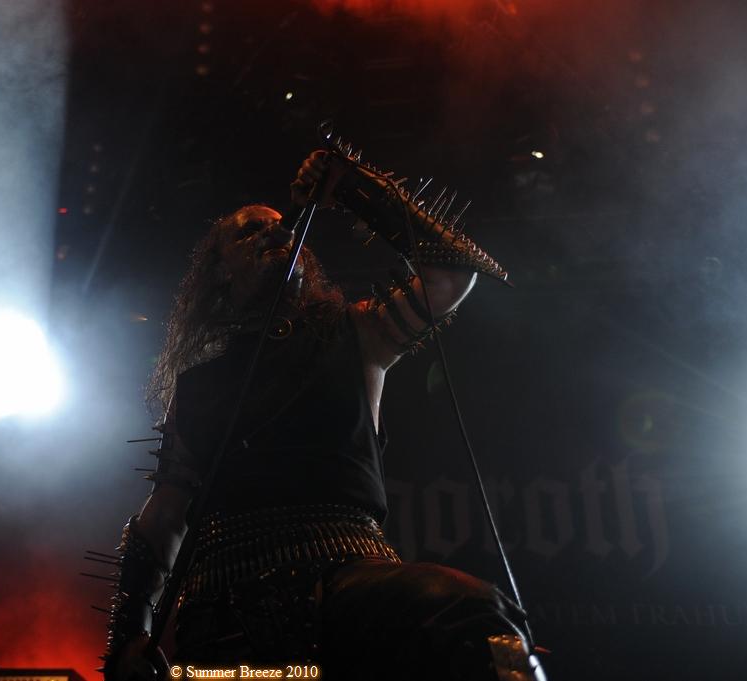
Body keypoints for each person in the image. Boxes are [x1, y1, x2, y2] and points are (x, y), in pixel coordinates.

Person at [100, 151, 541, 681]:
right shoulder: (197, 387)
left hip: (345, 578)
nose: (274, 232)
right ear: (220, 271)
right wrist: (130, 635)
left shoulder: (357, 334)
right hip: (225, 604)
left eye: (281, 226)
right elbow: (164, 518)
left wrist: (354, 186)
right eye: (250, 231)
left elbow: (449, 276)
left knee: (475, 615)